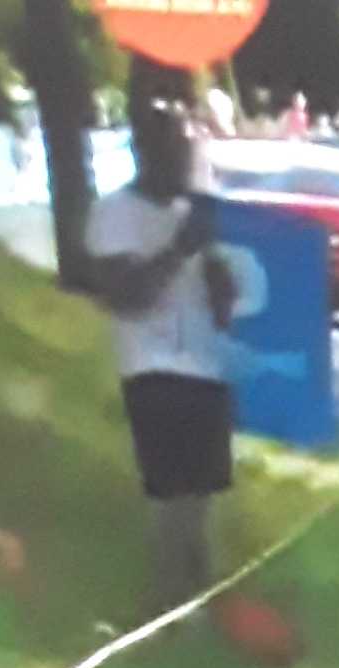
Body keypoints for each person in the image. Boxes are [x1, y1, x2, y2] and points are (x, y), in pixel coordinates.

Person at [83, 83, 239, 613]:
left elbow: (222, 308)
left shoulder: (191, 214)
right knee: (172, 502)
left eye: (187, 153)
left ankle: (200, 608)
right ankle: (165, 608)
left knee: (204, 504)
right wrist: (180, 248)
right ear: (144, 154)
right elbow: (126, 297)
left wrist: (214, 265)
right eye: (174, 153)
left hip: (205, 367)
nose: (183, 164)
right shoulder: (114, 213)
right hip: (153, 370)